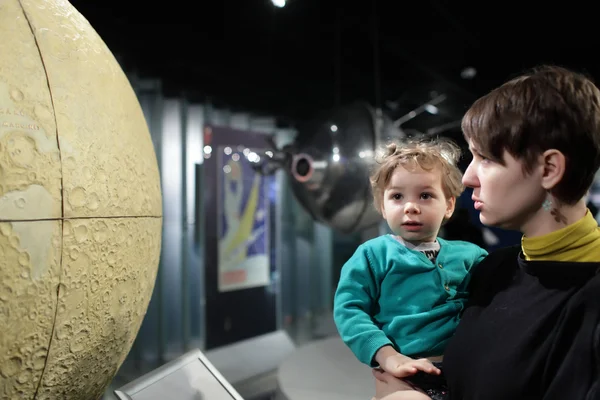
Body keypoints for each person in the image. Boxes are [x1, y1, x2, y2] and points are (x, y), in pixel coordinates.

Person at [372, 65, 600, 400]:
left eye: (487, 158)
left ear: (549, 169)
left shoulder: (591, 306)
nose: (467, 178)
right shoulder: (491, 271)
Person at [333, 138, 488, 399]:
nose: (410, 206)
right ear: (382, 206)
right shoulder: (372, 255)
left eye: (425, 195)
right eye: (396, 196)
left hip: (468, 371)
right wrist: (387, 356)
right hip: (406, 377)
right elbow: (350, 310)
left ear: (448, 205)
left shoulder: (472, 256)